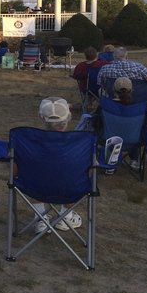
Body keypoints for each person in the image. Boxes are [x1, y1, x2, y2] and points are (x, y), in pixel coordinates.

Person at [32, 97, 82, 233]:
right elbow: (88, 172)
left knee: (35, 177)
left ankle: (40, 218)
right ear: (69, 118)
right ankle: (66, 216)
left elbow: (16, 172)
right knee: (72, 179)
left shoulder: (29, 144)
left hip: (35, 188)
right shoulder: (78, 146)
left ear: (41, 117)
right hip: (69, 189)